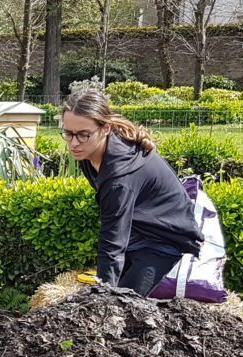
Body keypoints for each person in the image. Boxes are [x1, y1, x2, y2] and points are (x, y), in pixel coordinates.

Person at [60, 89, 203, 296]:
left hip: (164, 240)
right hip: (137, 233)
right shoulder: (90, 152)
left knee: (124, 306)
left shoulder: (120, 176)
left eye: (83, 134)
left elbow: (113, 240)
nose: (73, 143)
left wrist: (104, 294)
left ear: (106, 128)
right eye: (68, 133)